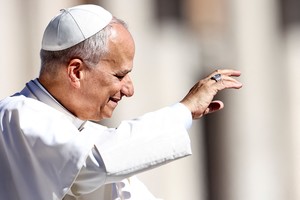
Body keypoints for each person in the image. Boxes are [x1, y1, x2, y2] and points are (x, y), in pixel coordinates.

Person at [0, 4, 242, 200]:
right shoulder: (17, 116)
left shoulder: (83, 133)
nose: (129, 89)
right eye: (119, 75)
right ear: (76, 71)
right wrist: (183, 111)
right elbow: (91, 163)